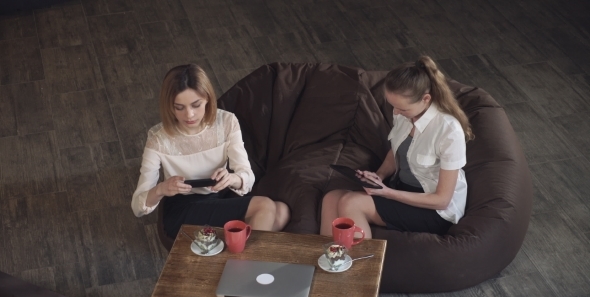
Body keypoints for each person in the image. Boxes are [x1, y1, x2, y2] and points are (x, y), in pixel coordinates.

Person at [320, 56, 474, 238]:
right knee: (331, 198)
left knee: (351, 203)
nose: (395, 112)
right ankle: (327, 257)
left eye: (402, 109)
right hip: (402, 189)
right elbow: (397, 151)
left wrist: (388, 193)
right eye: (392, 106)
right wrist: (378, 176)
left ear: (426, 99)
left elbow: (442, 200)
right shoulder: (404, 114)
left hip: (434, 209)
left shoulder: (448, 130)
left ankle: (361, 265)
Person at [131, 64, 289, 238]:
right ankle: (241, 259)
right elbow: (138, 207)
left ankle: (229, 255)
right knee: (265, 206)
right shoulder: (158, 139)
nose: (189, 115)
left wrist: (231, 178)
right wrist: (161, 189)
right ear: (169, 106)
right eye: (179, 107)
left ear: (207, 98)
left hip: (219, 198)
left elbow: (247, 177)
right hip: (184, 208)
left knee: (282, 212)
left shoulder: (227, 122)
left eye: (196, 105)